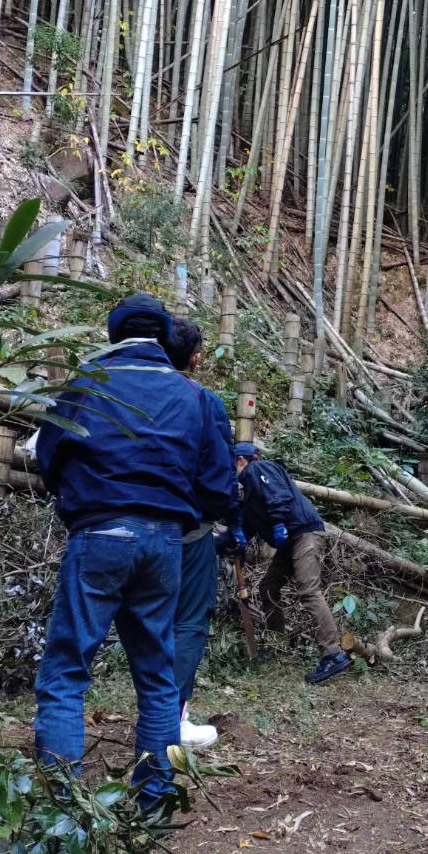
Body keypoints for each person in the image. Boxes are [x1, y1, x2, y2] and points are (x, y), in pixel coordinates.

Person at [34, 293, 237, 812]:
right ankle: (153, 799)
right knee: (157, 677)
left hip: (99, 533)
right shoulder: (193, 396)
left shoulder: (86, 383)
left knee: (66, 673)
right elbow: (219, 486)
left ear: (113, 333)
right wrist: (177, 511)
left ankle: (62, 812)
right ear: (164, 338)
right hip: (164, 541)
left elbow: (48, 455)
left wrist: (80, 499)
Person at [161, 318, 245, 751]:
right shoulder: (202, 400)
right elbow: (219, 472)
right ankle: (169, 720)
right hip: (186, 531)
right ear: (195, 359)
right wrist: (223, 517)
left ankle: (61, 731)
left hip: (111, 525)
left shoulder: (114, 389)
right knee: (189, 620)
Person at [233, 443, 351, 685]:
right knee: (268, 586)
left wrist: (278, 523)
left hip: (304, 533)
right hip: (290, 540)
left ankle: (333, 653)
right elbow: (250, 523)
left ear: (240, 460)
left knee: (309, 591)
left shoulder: (259, 469)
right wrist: (233, 539)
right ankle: (277, 642)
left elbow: (278, 496)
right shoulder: (250, 491)